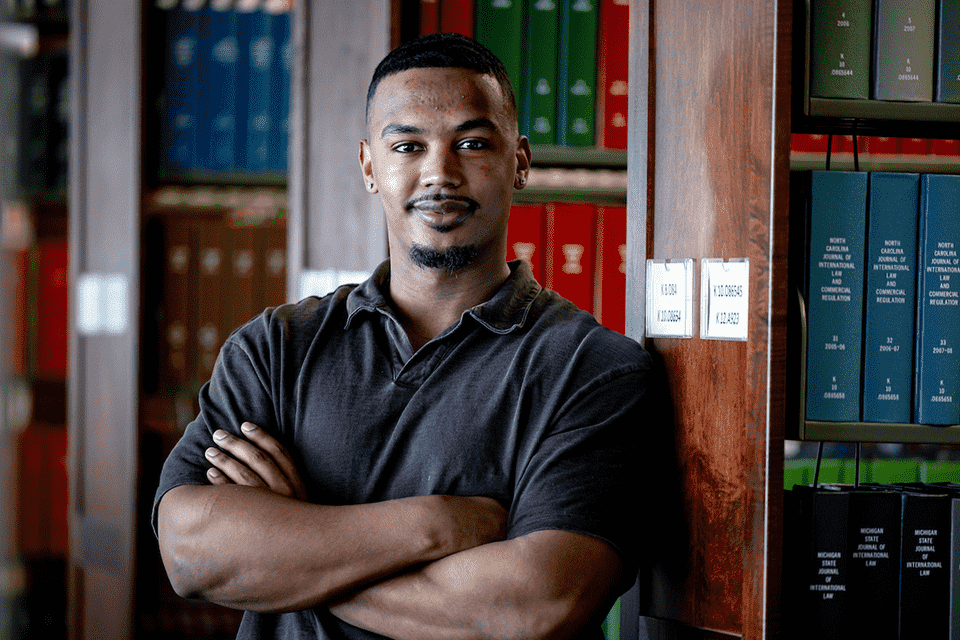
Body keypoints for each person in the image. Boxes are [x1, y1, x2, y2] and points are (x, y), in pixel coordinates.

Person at [154, 32, 656, 639]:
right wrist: (437, 525)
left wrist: (293, 549)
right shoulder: (275, 348)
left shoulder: (595, 370)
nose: (438, 172)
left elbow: (535, 607)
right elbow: (188, 553)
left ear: (520, 162)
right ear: (370, 166)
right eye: (407, 146)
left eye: (471, 143)